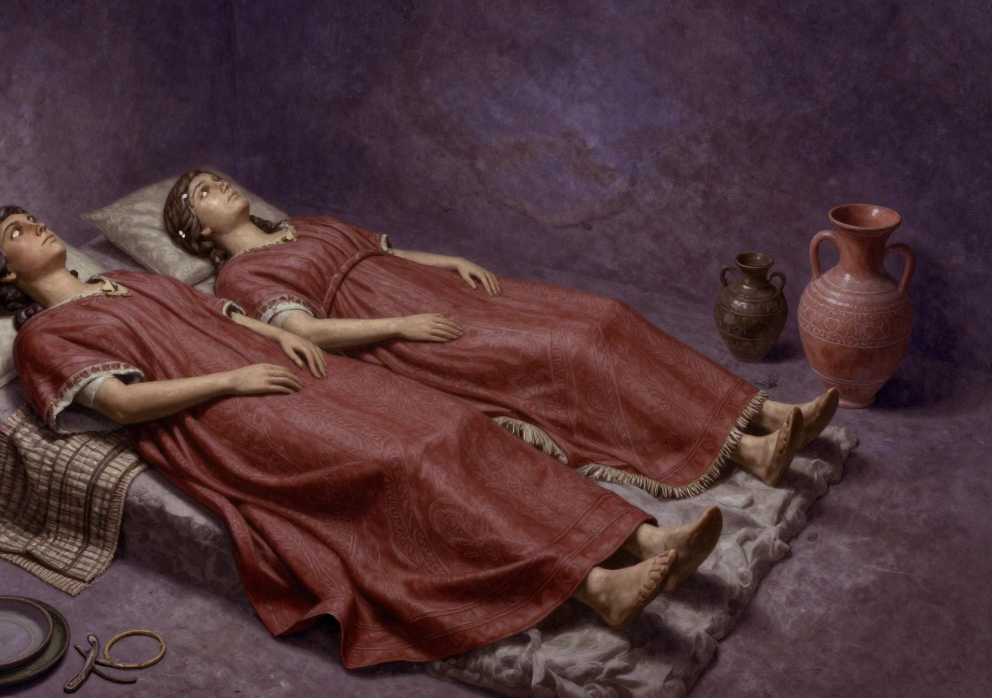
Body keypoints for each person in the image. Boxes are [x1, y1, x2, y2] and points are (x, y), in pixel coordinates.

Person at [0, 205, 726, 669]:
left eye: (30, 218)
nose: (35, 225)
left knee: (450, 423)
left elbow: (211, 315)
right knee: (405, 458)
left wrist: (269, 333)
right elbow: (126, 406)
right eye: (15, 232)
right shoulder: (44, 338)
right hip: (220, 418)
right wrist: (231, 382)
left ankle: (636, 542)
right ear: (5, 275)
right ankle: (595, 587)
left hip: (271, 367)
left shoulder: (128, 283)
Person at [164, 170, 840, 498]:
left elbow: (389, 255)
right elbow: (308, 329)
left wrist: (447, 261)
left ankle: (768, 413)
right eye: (202, 193)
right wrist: (403, 324)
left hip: (435, 291)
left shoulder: (306, 224)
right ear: (197, 233)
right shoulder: (242, 280)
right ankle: (747, 453)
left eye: (216, 178)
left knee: (601, 314)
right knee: (572, 350)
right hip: (406, 334)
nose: (219, 185)